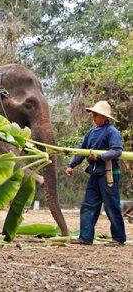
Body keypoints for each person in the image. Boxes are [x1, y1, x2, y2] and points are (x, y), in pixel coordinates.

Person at [65, 100, 126, 246]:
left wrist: (99, 157)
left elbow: (117, 151)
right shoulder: (91, 133)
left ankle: (118, 238)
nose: (94, 117)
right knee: (88, 206)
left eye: (97, 115)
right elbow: (82, 151)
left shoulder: (112, 132)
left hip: (108, 174)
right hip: (94, 175)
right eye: (93, 114)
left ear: (105, 117)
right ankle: (85, 237)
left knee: (112, 206)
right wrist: (71, 165)